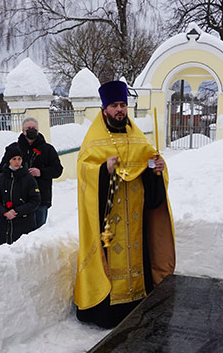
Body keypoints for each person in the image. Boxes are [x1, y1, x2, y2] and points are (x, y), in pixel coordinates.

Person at [74, 80, 175, 329]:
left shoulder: (136, 137)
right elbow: (84, 171)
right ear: (104, 108)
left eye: (122, 105)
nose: (120, 110)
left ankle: (137, 301)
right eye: (114, 106)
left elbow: (150, 163)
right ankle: (107, 311)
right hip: (110, 217)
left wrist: (158, 169)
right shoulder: (94, 139)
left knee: (139, 256)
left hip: (136, 215)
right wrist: (103, 170)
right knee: (110, 257)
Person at [3, 117, 62, 229]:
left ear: (38, 130)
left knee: (38, 232)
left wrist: (41, 172)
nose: (31, 130)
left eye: (34, 128)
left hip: (41, 197)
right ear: (23, 131)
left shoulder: (47, 149)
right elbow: (3, 168)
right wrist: (17, 170)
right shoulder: (13, 148)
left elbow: (58, 170)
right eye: (28, 128)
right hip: (18, 199)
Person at [0, 147, 40, 245]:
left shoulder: (29, 178)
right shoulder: (1, 178)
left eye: (19, 159)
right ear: (9, 160)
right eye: (14, 159)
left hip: (24, 223)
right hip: (5, 225)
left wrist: (17, 211)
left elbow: (35, 200)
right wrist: (4, 212)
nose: (17, 162)